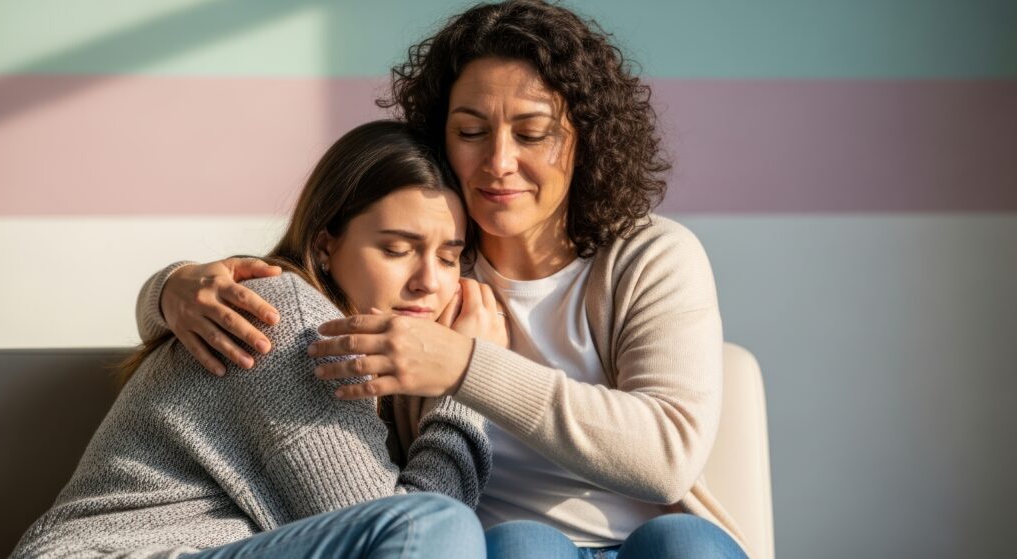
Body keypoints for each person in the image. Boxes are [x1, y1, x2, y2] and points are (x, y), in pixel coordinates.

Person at [137, 1, 752, 557]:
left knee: (685, 542)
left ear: (584, 139)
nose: (499, 162)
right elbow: (293, 310)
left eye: (532, 133)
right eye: (471, 132)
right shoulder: (431, 267)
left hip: (651, 539)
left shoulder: (647, 255)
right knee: (523, 545)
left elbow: (666, 460)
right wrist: (169, 290)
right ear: (440, 138)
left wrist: (465, 364)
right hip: (493, 546)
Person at [11, 120, 502, 559]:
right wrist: (466, 385)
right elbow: (409, 532)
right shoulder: (293, 325)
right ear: (324, 244)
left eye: (448, 258)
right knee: (436, 522)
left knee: (524, 543)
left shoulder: (383, 363)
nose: (428, 282)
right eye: (396, 249)